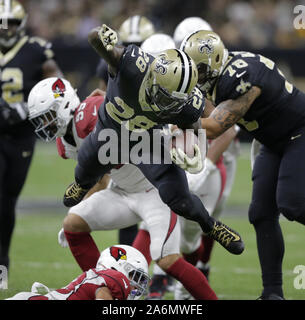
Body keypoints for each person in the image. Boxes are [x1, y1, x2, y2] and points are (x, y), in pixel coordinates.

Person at [62, 24, 245, 257]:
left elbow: (193, 128)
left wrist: (191, 146)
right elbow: (97, 40)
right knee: (87, 163)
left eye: (175, 101)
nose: (167, 104)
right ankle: (81, 184)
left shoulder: (189, 104)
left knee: (178, 196)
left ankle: (211, 226)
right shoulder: (131, 64)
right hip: (112, 131)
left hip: (146, 142)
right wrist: (99, 36)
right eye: (165, 95)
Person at [27, 77, 218, 300]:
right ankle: (105, 288)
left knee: (167, 260)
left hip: (154, 190)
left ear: (65, 106)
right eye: (41, 120)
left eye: (48, 117)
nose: (45, 126)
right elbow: (96, 175)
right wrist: (84, 207)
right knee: (73, 224)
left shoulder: (91, 112)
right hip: (122, 191)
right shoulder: (66, 143)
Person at [182, 29, 305, 300]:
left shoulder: (238, 77)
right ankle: (272, 293)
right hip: (274, 141)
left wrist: (177, 119)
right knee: (261, 213)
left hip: (299, 131)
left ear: (213, 62)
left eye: (198, 70)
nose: (195, 76)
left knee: (292, 204)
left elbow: (215, 126)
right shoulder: (224, 70)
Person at [0, 0, 62, 270]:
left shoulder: (35, 50)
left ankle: (2, 264)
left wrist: (26, 108)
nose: (5, 28)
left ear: (21, 23)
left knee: (7, 203)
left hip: (20, 137)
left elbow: (59, 89)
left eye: (10, 22)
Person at [95, 15, 155, 246]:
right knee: (127, 196)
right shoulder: (111, 61)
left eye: (139, 45)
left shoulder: (161, 61)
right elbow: (103, 99)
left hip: (152, 134)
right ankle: (127, 266)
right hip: (122, 134)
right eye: (129, 43)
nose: (134, 50)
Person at [6, 244, 150, 300]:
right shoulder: (111, 278)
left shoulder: (99, 278)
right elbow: (103, 295)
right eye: (135, 276)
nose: (137, 286)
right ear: (116, 267)